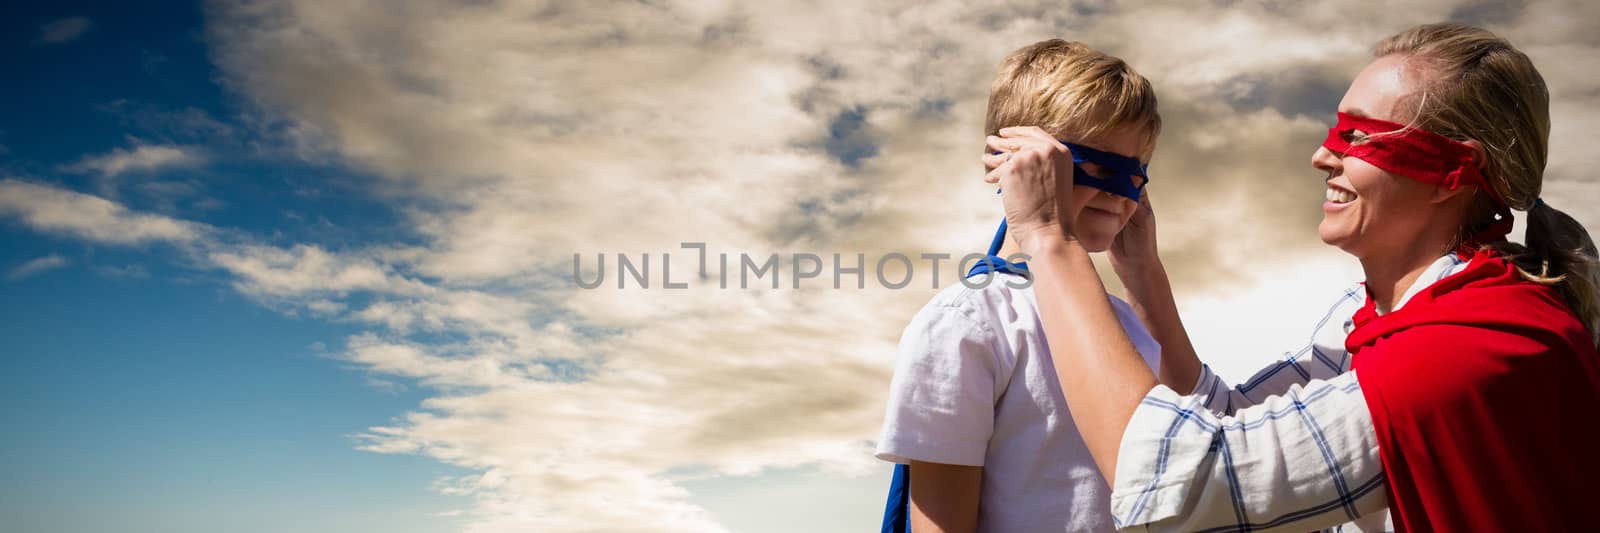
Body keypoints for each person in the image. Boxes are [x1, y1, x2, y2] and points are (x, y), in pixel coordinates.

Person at [984, 22, 1600, 532]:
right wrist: (1142, 272)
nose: (1322, 155)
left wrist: (1049, 238)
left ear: (1451, 176)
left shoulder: (1470, 344)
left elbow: (1172, 487)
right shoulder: (1380, 318)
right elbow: (1226, 417)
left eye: (1358, 137)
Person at [875, 39, 1162, 532]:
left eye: (1137, 175)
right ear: (1015, 161)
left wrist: (1146, 272)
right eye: (1094, 166)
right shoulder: (969, 324)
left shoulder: (1129, 326)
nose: (1122, 193)